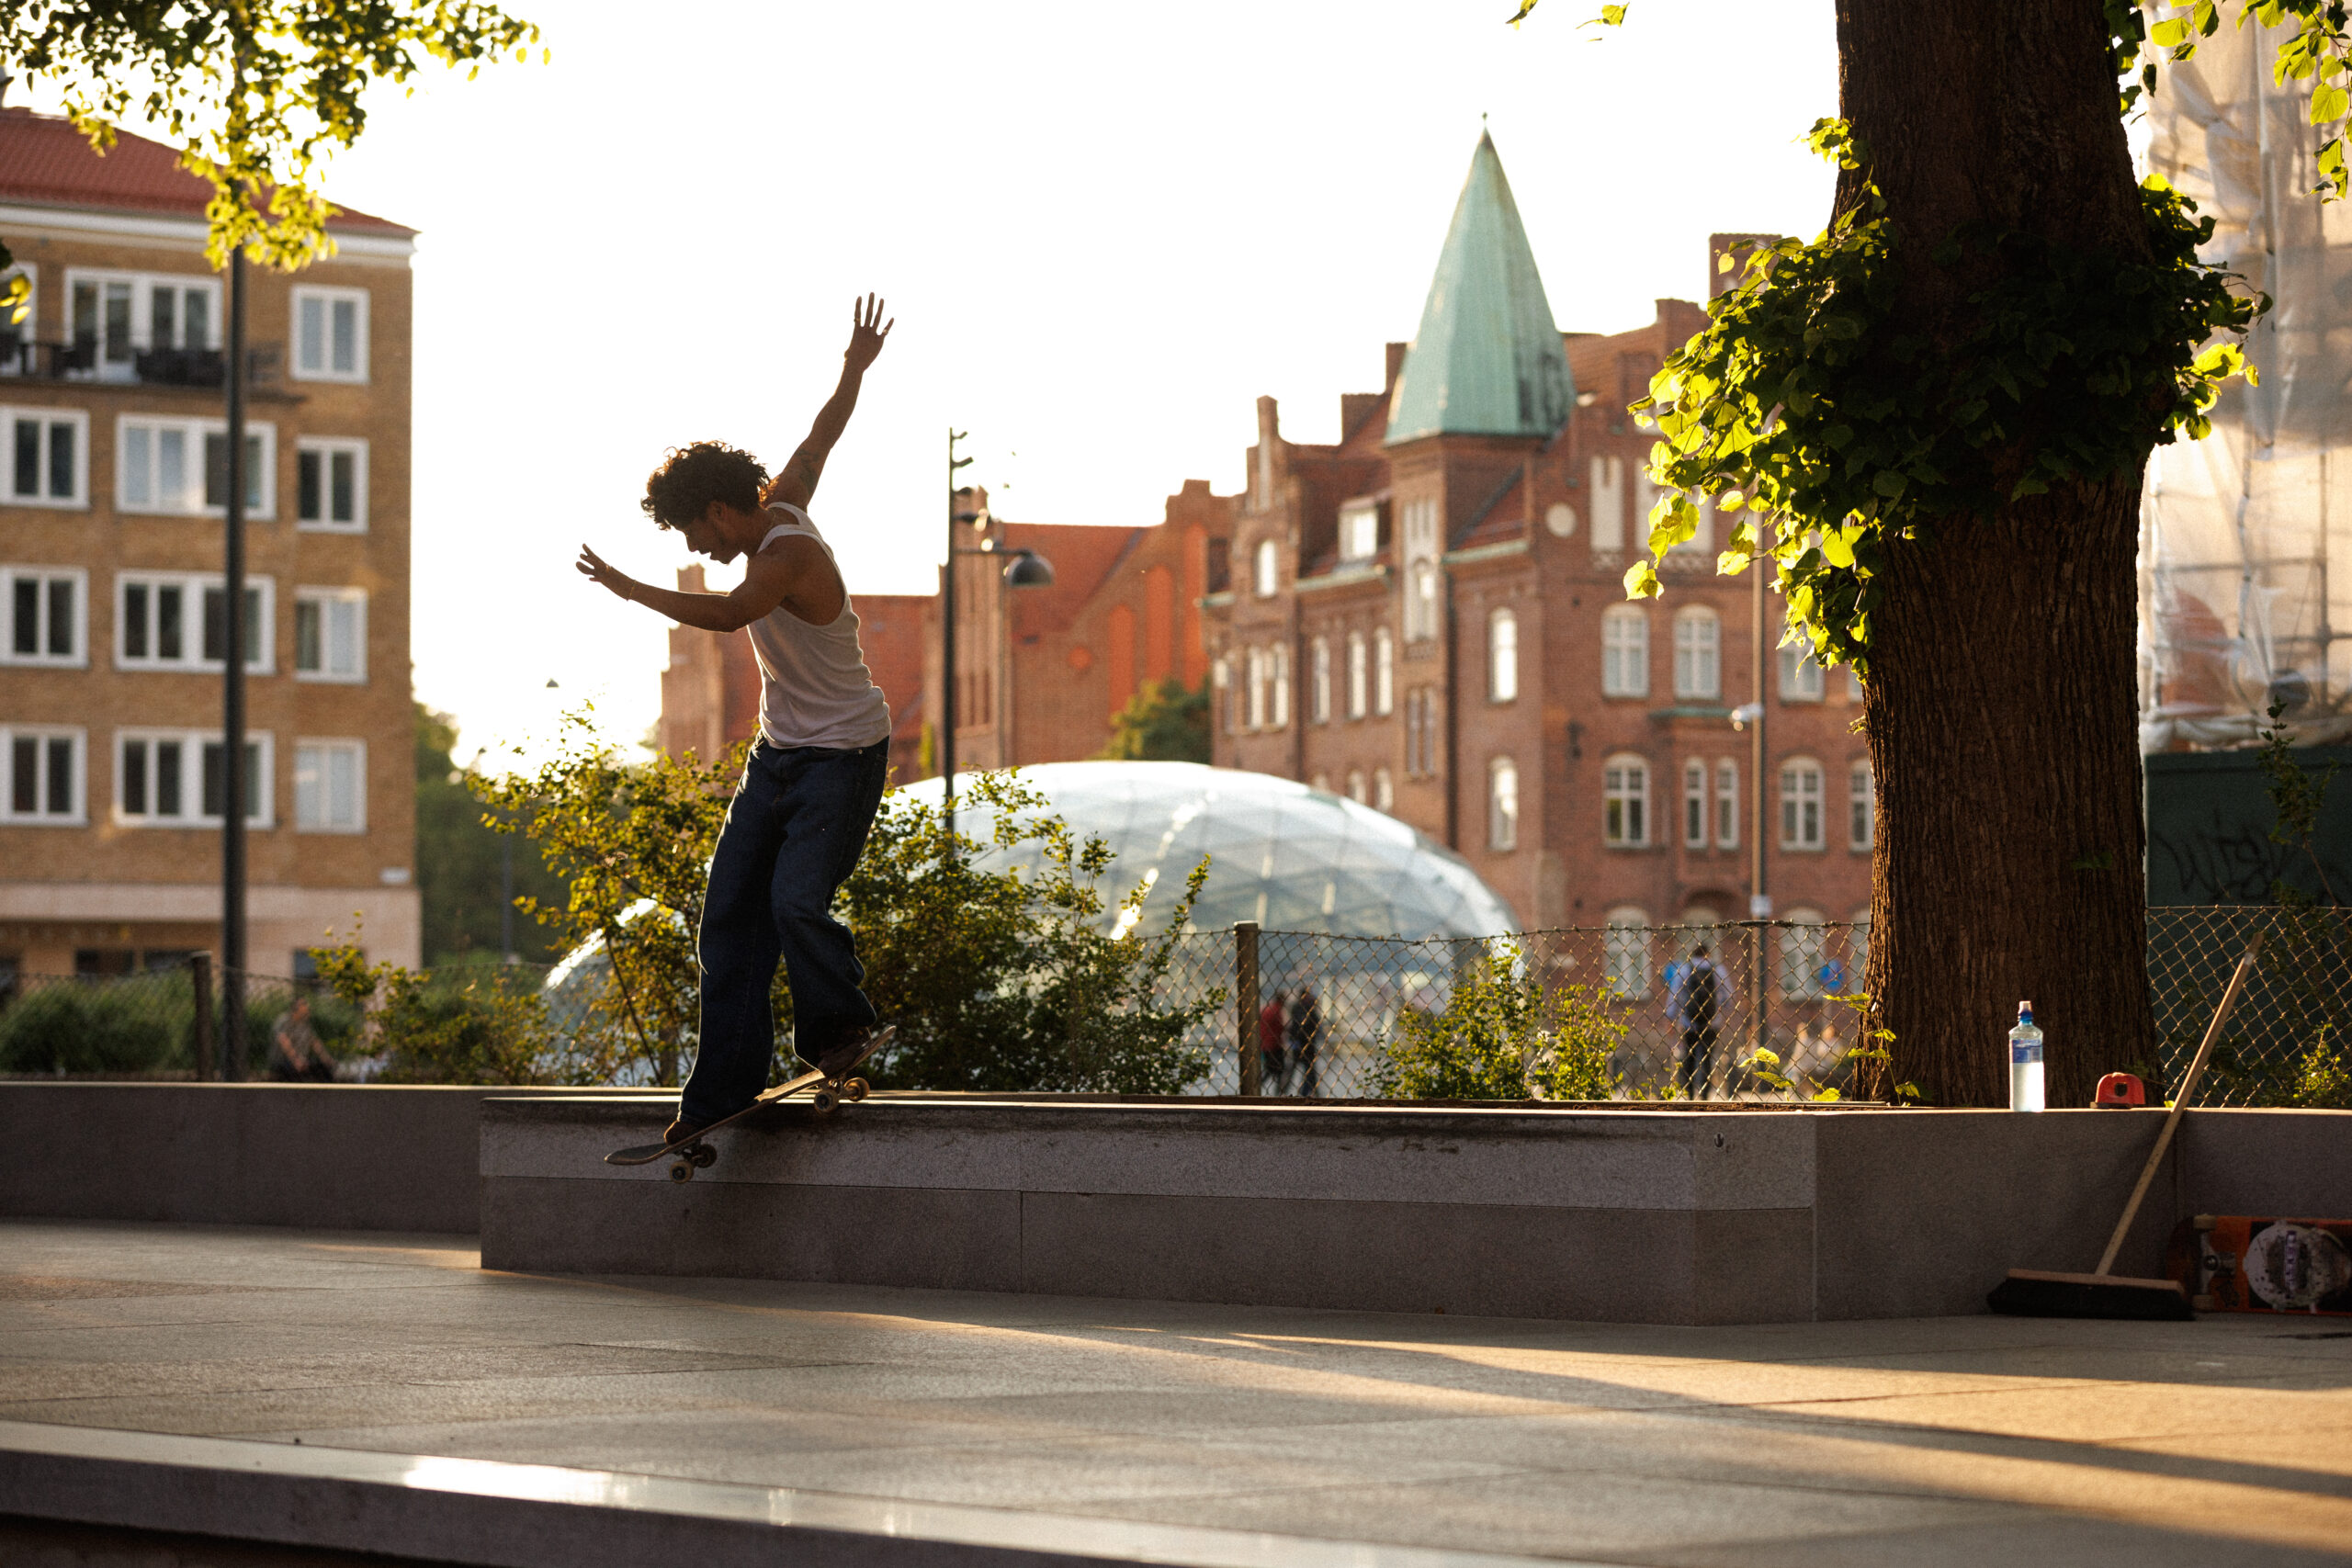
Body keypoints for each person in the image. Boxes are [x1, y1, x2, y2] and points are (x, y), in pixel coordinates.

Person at [576, 295, 899, 1147]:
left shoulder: (787, 554)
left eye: (695, 532)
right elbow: (820, 437)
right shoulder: (782, 496)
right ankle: (721, 1090)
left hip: (844, 757)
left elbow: (728, 616)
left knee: (797, 903)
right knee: (727, 917)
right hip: (780, 756)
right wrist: (852, 370)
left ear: (723, 512)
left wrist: (628, 589)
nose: (701, 547)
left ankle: (841, 1031)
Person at [1674, 943, 1727, 1099]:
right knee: (1707, 1058)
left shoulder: (1684, 969)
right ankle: (1704, 1095)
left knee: (1688, 1057)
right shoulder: (1717, 969)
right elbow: (1727, 994)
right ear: (1708, 954)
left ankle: (1688, 1094)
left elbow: (1675, 994)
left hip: (1688, 1022)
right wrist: (1721, 1007)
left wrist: (1672, 1016)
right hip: (1711, 1022)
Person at [268, 997, 334, 1082]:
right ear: (296, 1008)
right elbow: (284, 1041)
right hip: (283, 1061)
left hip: (302, 1060)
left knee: (324, 1069)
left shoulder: (305, 1023)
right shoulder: (284, 1021)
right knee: (297, 1074)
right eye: (304, 1005)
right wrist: (296, 1060)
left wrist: (326, 1058)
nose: (307, 1007)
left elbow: (314, 1042)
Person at [1288, 987, 1324, 1099]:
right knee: (1307, 1072)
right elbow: (1309, 1025)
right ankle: (1303, 1093)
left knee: (1308, 1072)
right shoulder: (1302, 1009)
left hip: (1304, 1044)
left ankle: (1304, 1093)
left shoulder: (1302, 1008)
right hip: (1302, 1044)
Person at [1257, 987, 1289, 1095]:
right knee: (1279, 1070)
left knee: (1269, 1070)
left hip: (1264, 1044)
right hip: (1274, 1045)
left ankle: (1256, 1087)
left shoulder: (1265, 1008)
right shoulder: (1277, 1011)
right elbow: (1280, 1029)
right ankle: (1278, 1093)